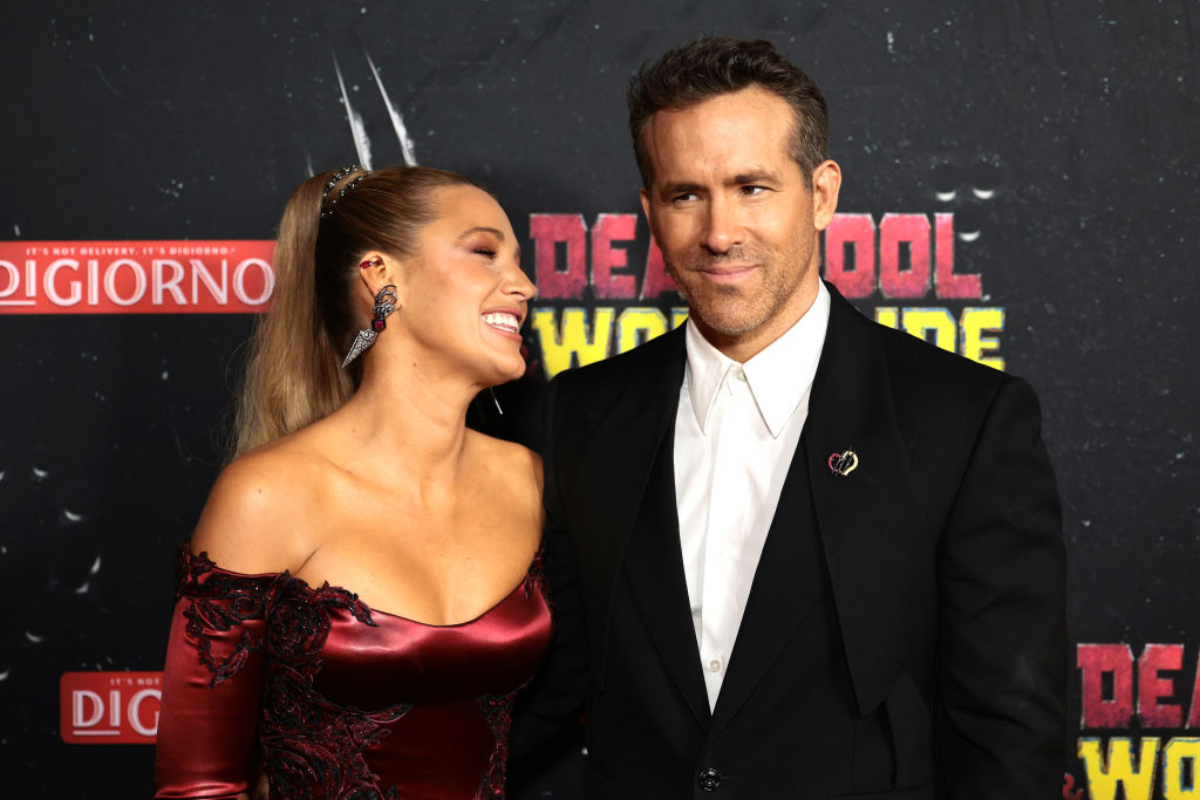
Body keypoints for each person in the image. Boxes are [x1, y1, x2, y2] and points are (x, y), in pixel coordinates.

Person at [523, 36, 1067, 798]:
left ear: (821, 194)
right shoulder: (578, 415)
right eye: (686, 195)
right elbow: (551, 701)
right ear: (649, 212)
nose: (719, 233)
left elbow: (1011, 734)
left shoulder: (963, 422)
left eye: (752, 187)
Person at [154, 165, 548, 799]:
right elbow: (198, 787)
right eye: (485, 253)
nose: (525, 285)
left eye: (519, 262)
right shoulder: (267, 496)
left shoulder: (530, 481)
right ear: (381, 276)